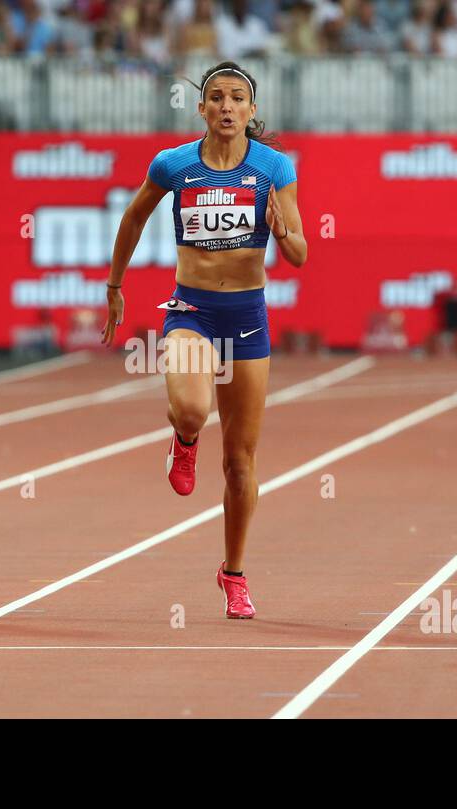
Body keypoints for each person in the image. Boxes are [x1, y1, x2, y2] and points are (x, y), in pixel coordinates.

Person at [100, 61, 306, 618]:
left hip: (247, 315)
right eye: (216, 97)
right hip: (192, 309)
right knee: (191, 410)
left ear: (251, 111)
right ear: (202, 109)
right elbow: (133, 219)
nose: (226, 107)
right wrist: (115, 284)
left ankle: (232, 573)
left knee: (241, 461)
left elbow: (300, 254)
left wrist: (282, 229)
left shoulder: (273, 168)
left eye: (237, 98)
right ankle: (183, 441)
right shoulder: (174, 164)